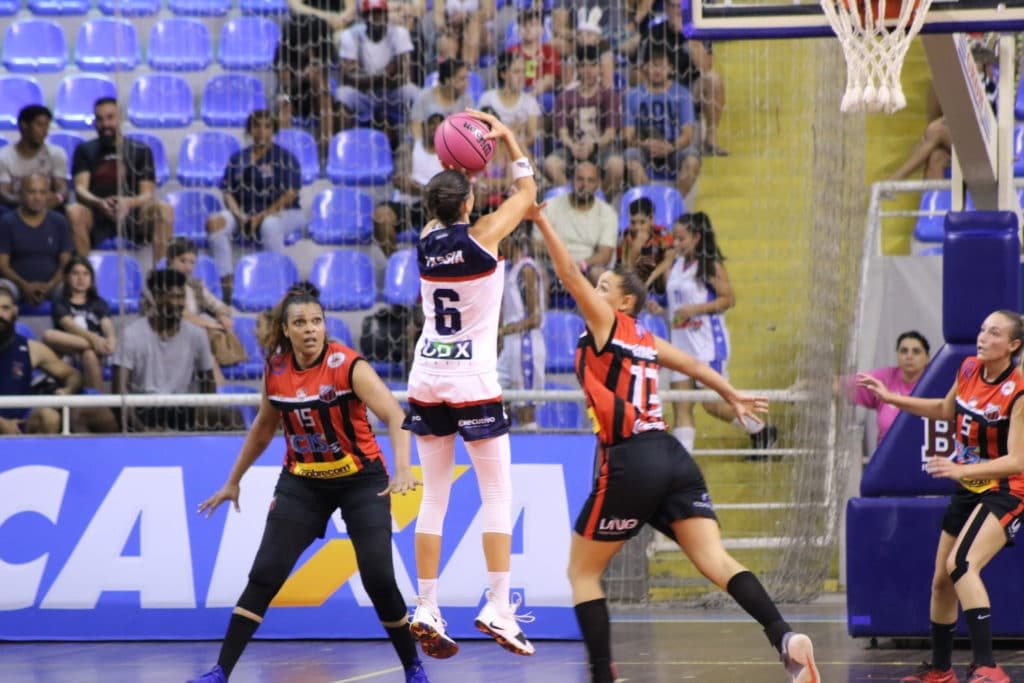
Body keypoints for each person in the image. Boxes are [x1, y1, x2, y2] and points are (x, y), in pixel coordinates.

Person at [530, 206, 819, 683]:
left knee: (582, 574)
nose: (593, 292)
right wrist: (731, 393)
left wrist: (540, 220)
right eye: (596, 286)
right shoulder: (643, 337)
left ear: (621, 305)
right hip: (671, 457)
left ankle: (603, 677)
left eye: (604, 288)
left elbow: (565, 271)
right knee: (716, 561)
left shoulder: (606, 328)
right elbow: (691, 364)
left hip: (632, 458)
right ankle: (785, 638)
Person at [187, 288, 428, 683]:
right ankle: (219, 672)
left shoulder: (348, 365)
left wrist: (403, 466)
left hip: (360, 479)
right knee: (264, 574)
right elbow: (264, 430)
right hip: (304, 481)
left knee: (379, 577)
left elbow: (393, 414)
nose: (310, 330)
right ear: (286, 330)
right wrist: (233, 481)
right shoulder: (276, 370)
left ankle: (412, 666)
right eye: (300, 323)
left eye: (316, 321)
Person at [404, 109, 538, 658]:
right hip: (473, 378)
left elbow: (450, 200)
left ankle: (427, 603)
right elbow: (527, 191)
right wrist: (506, 138)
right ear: (469, 203)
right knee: (496, 494)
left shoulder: (425, 239)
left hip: (427, 373)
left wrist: (453, 169)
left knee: (434, 495)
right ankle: (498, 604)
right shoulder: (484, 236)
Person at [858, 310, 1024, 683]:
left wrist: (960, 469)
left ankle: (988, 667)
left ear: (1012, 345)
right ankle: (940, 669)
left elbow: (1017, 461)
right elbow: (945, 409)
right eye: (982, 328)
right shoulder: (967, 368)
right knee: (941, 581)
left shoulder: (1018, 389)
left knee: (962, 564)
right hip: (971, 487)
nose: (982, 337)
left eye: (994, 333)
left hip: (1007, 490)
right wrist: (892, 399)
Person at [646, 213, 776, 452]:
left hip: (707, 344)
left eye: (681, 238)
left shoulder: (710, 265)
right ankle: (683, 465)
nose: (676, 243)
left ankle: (762, 430)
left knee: (711, 404)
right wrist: (660, 305)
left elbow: (729, 299)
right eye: (674, 238)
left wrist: (695, 309)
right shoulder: (676, 265)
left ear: (696, 238)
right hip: (680, 344)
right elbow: (677, 299)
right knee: (681, 405)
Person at [206, 110, 303, 305]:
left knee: (269, 225)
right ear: (250, 129)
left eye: (267, 126)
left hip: (284, 213)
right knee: (214, 222)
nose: (261, 131)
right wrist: (239, 216)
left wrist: (260, 217)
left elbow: (290, 193)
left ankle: (277, 285)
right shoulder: (238, 159)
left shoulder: (285, 157)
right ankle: (227, 282)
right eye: (257, 126)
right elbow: (227, 192)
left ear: (273, 130)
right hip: (245, 212)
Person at [111, 269, 221, 432]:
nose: (179, 303)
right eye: (173, 296)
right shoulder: (131, 334)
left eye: (181, 297)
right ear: (157, 298)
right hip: (144, 407)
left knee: (229, 416)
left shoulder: (196, 334)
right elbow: (119, 391)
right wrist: (143, 431)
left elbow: (209, 382)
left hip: (181, 405)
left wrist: (201, 419)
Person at [66, 98, 173, 261]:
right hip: (97, 214)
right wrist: (99, 203)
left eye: (110, 117)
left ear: (120, 118)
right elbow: (81, 189)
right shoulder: (84, 150)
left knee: (164, 209)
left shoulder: (141, 150)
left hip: (133, 216)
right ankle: (84, 274)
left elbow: (147, 194)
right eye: (100, 119)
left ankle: (160, 277)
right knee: (74, 211)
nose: (105, 124)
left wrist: (128, 203)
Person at [544, 44, 625, 197]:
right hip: (572, 148)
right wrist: (573, 145)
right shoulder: (565, 97)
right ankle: (572, 199)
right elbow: (563, 133)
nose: (587, 71)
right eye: (582, 66)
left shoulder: (609, 96)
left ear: (600, 68)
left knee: (616, 165)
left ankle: (602, 203)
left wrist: (593, 145)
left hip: (601, 147)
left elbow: (610, 133)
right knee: (550, 164)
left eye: (592, 65)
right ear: (577, 68)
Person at [0, 284, 82, 435]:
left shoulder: (31, 349)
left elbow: (72, 375)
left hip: (19, 425)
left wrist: (68, 389)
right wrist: (2, 423)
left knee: (49, 417)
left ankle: (41, 458)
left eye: (5, 308)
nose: (1, 314)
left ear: (15, 311)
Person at [623, 45, 701, 198]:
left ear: (670, 69)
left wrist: (670, 147)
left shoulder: (682, 94)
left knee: (692, 160)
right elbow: (627, 135)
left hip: (674, 148)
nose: (657, 71)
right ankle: (648, 205)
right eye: (653, 65)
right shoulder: (632, 96)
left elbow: (688, 134)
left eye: (662, 66)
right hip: (644, 148)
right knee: (630, 157)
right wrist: (645, 144)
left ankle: (674, 203)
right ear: (645, 68)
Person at [336, 0, 419, 138]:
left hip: (392, 93)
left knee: (415, 94)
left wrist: (370, 78)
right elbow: (348, 77)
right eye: (372, 14)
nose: (376, 19)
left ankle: (411, 144)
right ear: (364, 17)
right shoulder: (350, 35)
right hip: (364, 94)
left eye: (380, 14)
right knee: (342, 95)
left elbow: (406, 74)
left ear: (386, 16)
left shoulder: (400, 33)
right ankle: (345, 144)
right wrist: (382, 76)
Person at [166, 237, 238, 386]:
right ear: (170, 260)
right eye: (182, 260)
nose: (187, 267)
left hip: (196, 339)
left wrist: (221, 315)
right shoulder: (160, 284)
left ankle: (221, 396)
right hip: (170, 339)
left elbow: (219, 306)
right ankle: (221, 400)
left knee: (208, 343)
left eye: (192, 262)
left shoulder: (195, 286)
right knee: (206, 350)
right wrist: (206, 324)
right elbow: (176, 312)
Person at [42, 256, 116, 392]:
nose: (81, 278)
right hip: (69, 350)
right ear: (67, 278)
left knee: (89, 355)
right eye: (75, 273)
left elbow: (107, 324)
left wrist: (111, 339)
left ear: (91, 279)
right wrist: (95, 340)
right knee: (49, 335)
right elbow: (69, 325)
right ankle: (95, 347)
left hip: (94, 355)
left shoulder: (98, 302)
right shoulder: (60, 302)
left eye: (85, 274)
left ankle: (100, 406)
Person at [844, 331, 930, 446]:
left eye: (916, 351)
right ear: (897, 355)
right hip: (887, 458)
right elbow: (842, 384)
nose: (909, 356)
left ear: (927, 357)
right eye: (904, 351)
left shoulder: (937, 383)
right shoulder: (885, 378)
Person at [538, 161, 619, 285]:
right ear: (571, 181)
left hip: (587, 267)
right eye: (580, 179)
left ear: (597, 184)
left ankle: (597, 305)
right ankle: (539, 306)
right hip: (553, 265)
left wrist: (581, 265)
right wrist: (563, 261)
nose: (584, 185)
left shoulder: (608, 213)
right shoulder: (550, 206)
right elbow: (537, 244)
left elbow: (605, 255)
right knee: (533, 270)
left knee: (599, 274)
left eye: (590, 180)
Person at [497, 222, 545, 430]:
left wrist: (502, 331)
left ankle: (533, 451)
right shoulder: (509, 268)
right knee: (492, 396)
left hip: (526, 345)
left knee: (526, 409)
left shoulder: (526, 269)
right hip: (509, 346)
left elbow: (535, 318)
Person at [0, 174, 73, 307]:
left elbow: (65, 263)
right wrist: (25, 285)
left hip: (53, 286)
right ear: (21, 194)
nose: (37, 197)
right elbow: (3, 265)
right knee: (2, 291)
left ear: (48, 195)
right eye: (31, 192)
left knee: (72, 289)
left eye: (42, 192)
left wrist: (49, 286)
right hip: (16, 285)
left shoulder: (59, 222)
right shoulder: (7, 222)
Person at [0, 105, 69, 214]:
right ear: (24, 126)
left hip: (49, 207)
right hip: (15, 208)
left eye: (47, 126)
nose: (45, 131)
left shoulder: (56, 153)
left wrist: (58, 198)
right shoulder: (3, 156)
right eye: (40, 125)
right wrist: (28, 203)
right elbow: (4, 193)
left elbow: (62, 189)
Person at [477, 52, 542, 155]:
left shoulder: (530, 103)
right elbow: (480, 131)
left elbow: (532, 138)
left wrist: (508, 145)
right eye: (516, 72)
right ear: (503, 74)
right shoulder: (487, 99)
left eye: (523, 72)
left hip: (517, 153)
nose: (522, 76)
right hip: (490, 153)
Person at [410, 59, 474, 143]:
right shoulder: (424, 96)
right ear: (447, 80)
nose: (466, 83)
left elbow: (470, 131)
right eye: (462, 79)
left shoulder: (467, 100)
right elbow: (416, 127)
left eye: (467, 79)